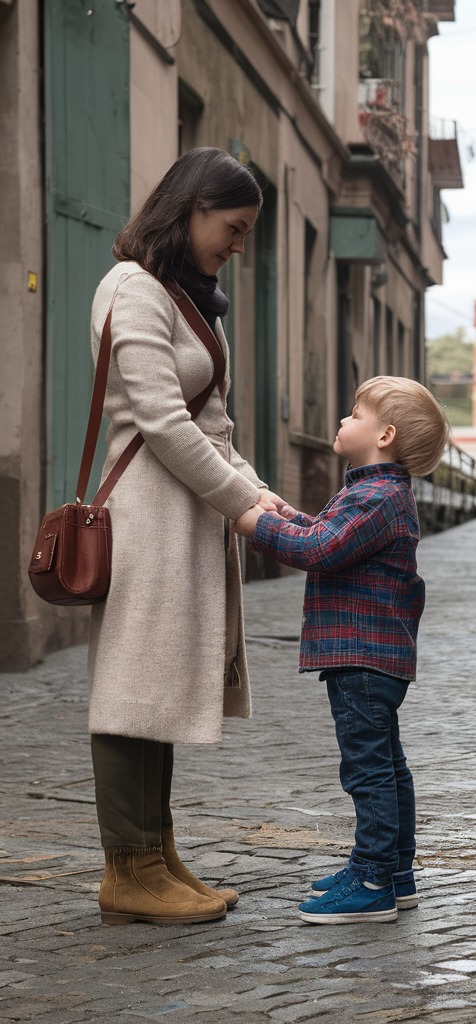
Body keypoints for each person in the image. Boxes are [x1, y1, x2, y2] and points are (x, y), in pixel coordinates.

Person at [88, 147, 278, 925]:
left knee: (160, 686)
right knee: (133, 686)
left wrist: (268, 499)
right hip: (146, 514)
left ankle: (156, 853)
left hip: (183, 513)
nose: (235, 246)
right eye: (230, 229)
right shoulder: (131, 288)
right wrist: (241, 506)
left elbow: (212, 424)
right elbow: (162, 421)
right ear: (190, 209)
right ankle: (126, 867)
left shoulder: (179, 296)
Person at [235, 376, 451, 924]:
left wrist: (253, 524)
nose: (342, 419)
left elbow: (321, 549)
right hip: (369, 653)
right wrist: (284, 514)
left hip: (361, 654)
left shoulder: (377, 496)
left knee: (367, 770)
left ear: (385, 435)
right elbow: (330, 534)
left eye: (355, 414)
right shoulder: (372, 491)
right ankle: (393, 871)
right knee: (387, 765)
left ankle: (374, 877)